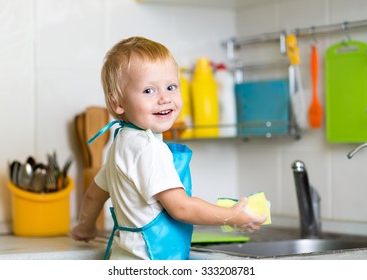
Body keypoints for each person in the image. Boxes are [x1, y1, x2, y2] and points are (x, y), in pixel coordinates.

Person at [70, 36, 267, 260]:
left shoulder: (121, 143)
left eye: (171, 87)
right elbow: (181, 208)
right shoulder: (148, 147)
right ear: (118, 103)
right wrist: (232, 216)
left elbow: (94, 195)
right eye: (148, 91)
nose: (164, 98)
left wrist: (84, 228)